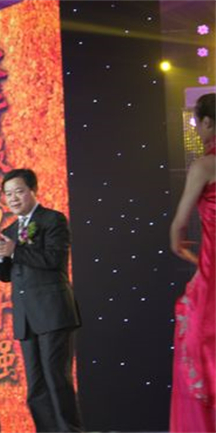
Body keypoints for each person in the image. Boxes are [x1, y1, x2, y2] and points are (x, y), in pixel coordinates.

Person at [0, 169, 82, 432]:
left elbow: (54, 259)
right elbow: (6, 276)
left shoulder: (52, 219)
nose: (13, 198)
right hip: (26, 317)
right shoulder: (10, 229)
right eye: (8, 194)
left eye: (19, 191)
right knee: (36, 387)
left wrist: (14, 250)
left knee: (57, 380)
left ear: (33, 191)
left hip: (53, 313)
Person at [169, 92, 215, 433]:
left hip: (213, 277)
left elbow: (178, 228)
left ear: (208, 123)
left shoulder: (204, 165)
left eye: (197, 123)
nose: (197, 129)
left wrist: (187, 250)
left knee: (203, 352)